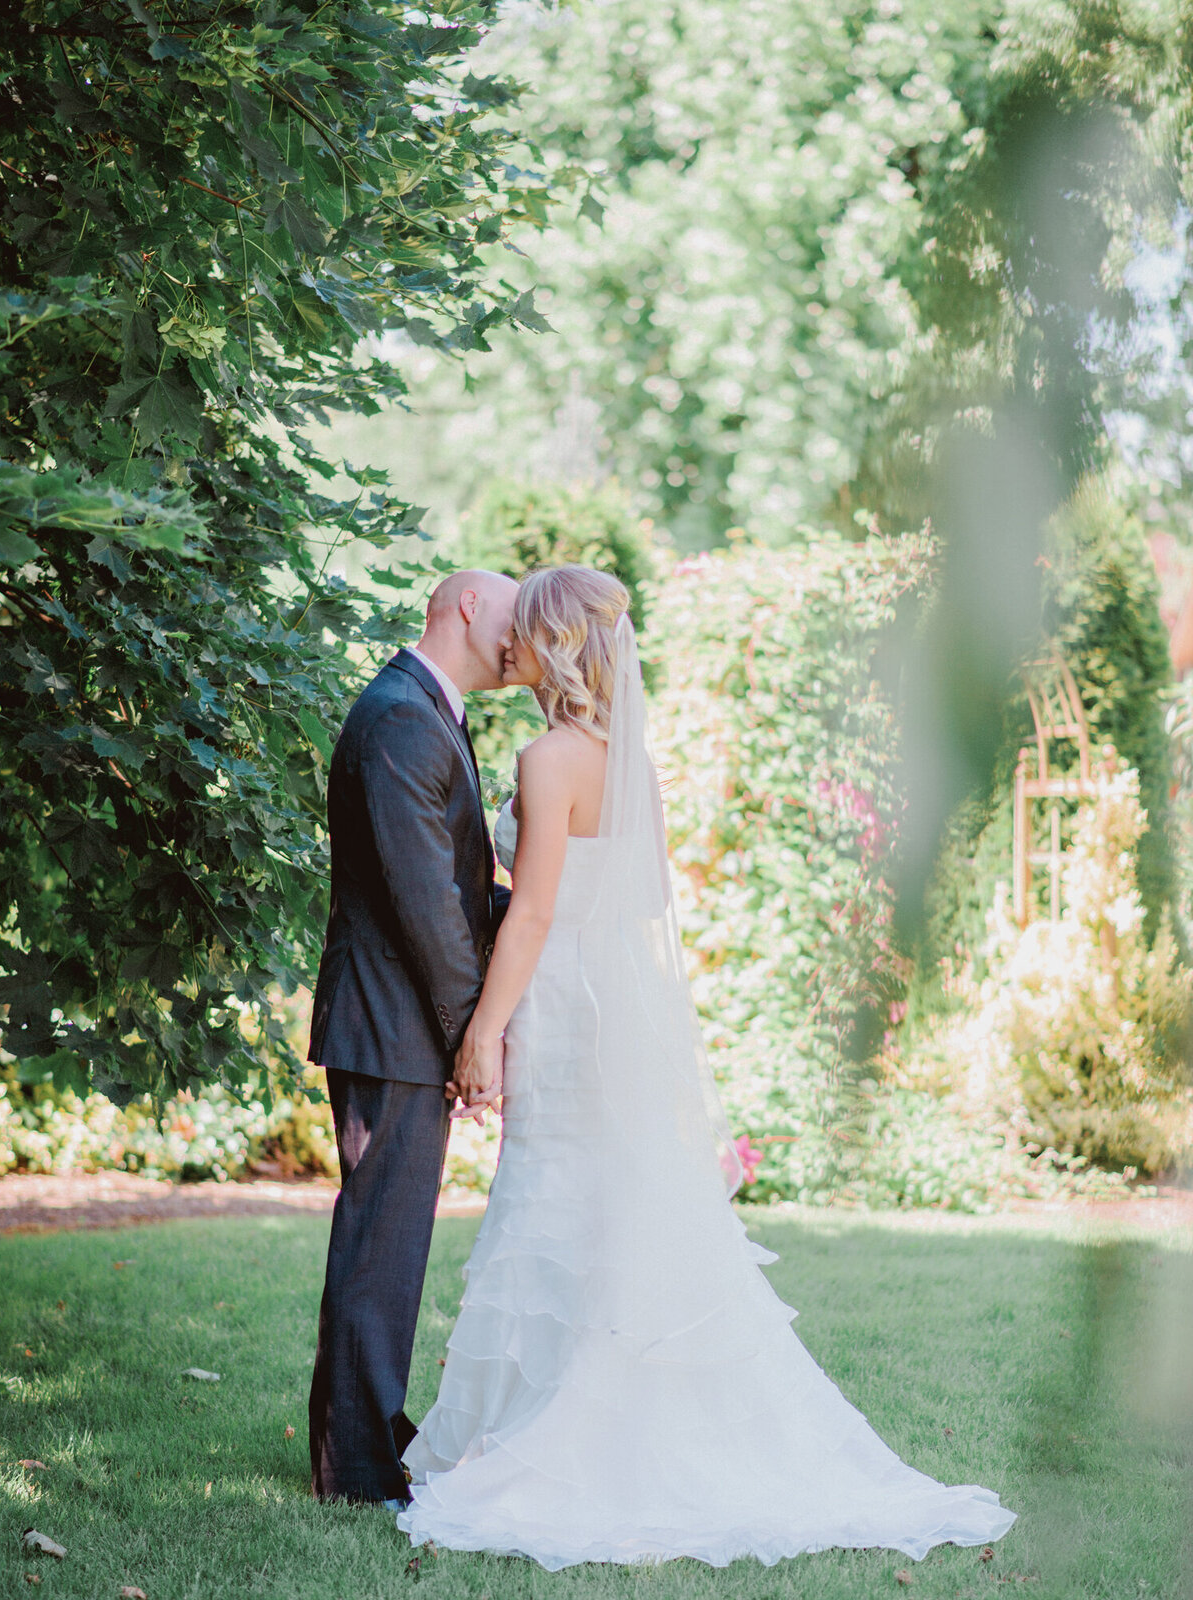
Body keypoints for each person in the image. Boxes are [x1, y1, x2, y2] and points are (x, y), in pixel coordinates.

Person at [397, 564, 1018, 1569]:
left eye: (525, 632)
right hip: (615, 1006)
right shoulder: (626, 758)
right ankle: (585, 1404)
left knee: (558, 1198)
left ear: (553, 646)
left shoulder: (549, 757)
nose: (510, 645)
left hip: (563, 1002)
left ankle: (569, 1432)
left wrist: (483, 1030)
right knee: (605, 1203)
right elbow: (629, 905)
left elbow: (538, 911)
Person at [307, 568, 519, 1509]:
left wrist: (562, 917)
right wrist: (479, 1033)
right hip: (389, 1023)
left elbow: (457, 886)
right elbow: (427, 904)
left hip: (396, 1021)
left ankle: (371, 1435)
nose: (525, 639)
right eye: (514, 617)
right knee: (378, 1247)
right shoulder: (400, 715)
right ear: (468, 606)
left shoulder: (430, 710)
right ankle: (354, 1471)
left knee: (389, 1248)